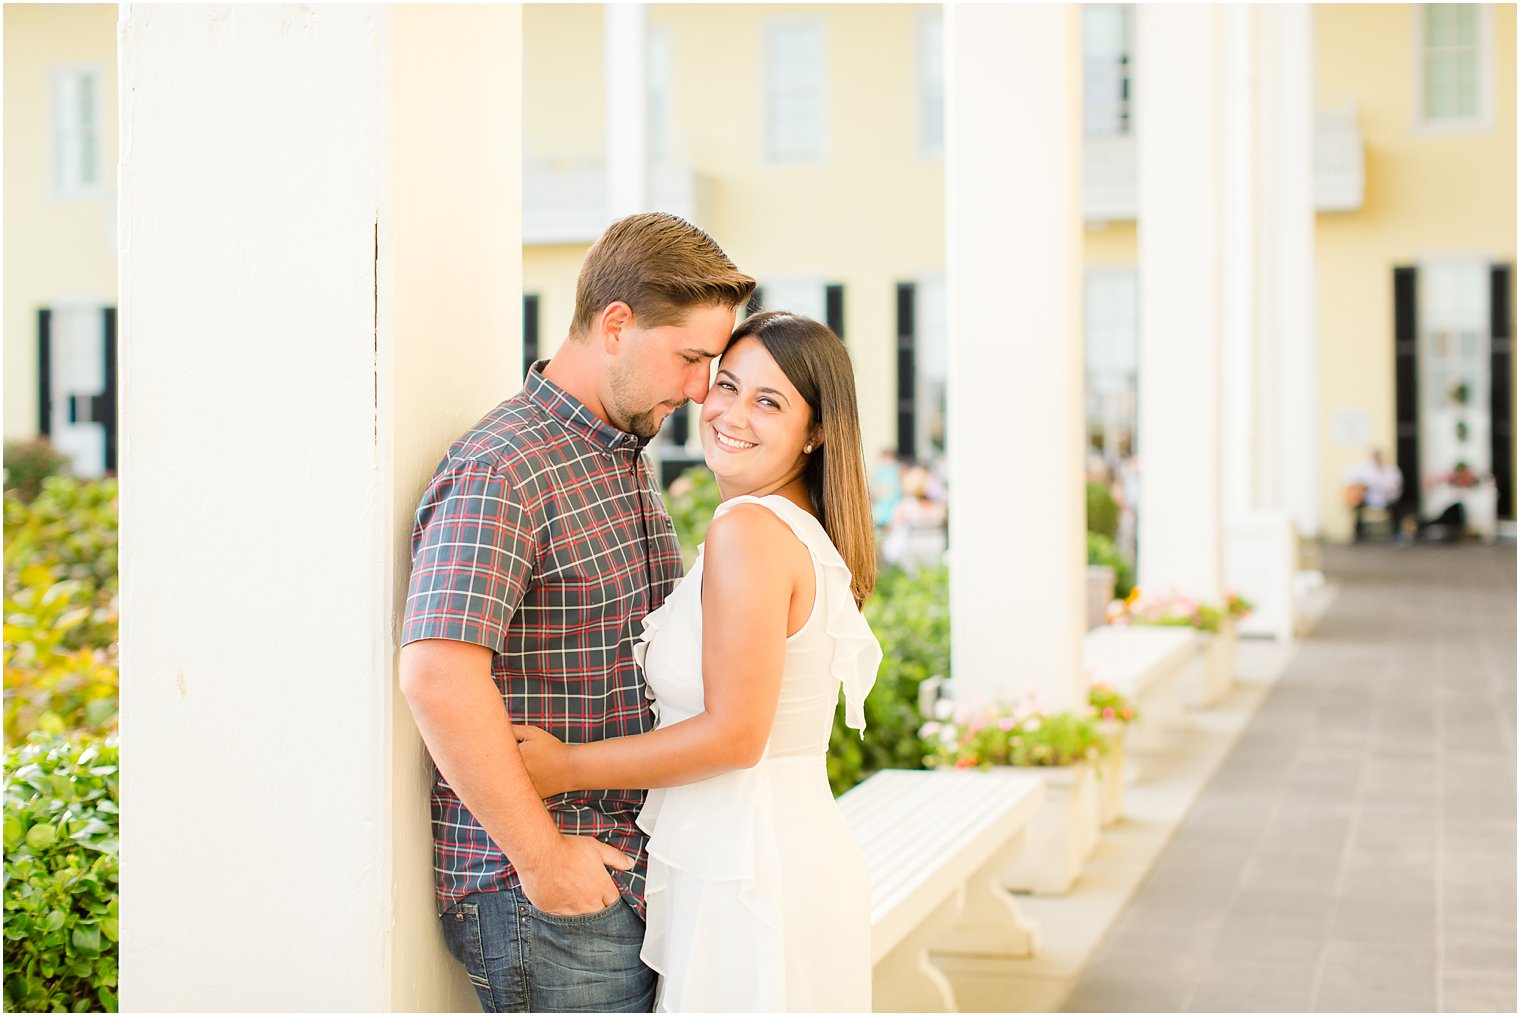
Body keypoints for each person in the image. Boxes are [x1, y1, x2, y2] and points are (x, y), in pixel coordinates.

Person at [398, 211, 755, 1014]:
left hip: (623, 877)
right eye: (692, 358)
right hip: (547, 895)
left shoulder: (619, 453)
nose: (702, 389)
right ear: (617, 325)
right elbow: (436, 674)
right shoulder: (505, 467)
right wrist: (542, 860)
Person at [513, 311, 883, 1012]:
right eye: (728, 386)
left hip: (747, 866)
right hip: (770, 850)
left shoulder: (751, 530)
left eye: (768, 402)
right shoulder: (791, 529)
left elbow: (735, 736)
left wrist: (565, 767)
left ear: (816, 431)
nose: (731, 414)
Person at [1343, 448, 1407, 541]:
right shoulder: (1365, 470)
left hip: (1387, 498)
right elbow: (1349, 478)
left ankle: (1396, 532)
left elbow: (1394, 486)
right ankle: (1358, 534)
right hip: (1369, 499)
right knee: (1357, 508)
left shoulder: (1391, 470)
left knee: (1396, 509)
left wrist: (1378, 486)